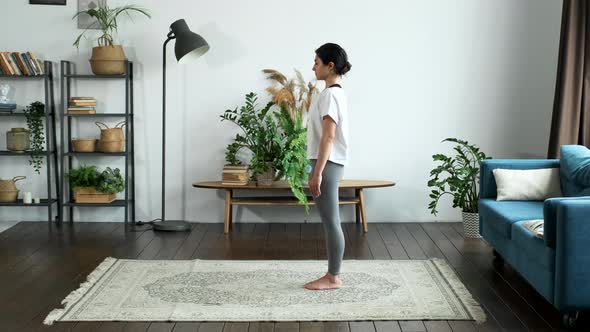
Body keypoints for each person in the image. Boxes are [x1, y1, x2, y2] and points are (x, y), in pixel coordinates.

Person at [303, 43, 351, 290]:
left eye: (317, 62)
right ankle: (333, 274)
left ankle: (333, 277)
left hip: (328, 164)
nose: (313, 67)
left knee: (331, 221)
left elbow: (328, 137)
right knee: (330, 220)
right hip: (329, 163)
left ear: (330, 65)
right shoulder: (335, 93)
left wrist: (317, 172)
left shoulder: (331, 95)